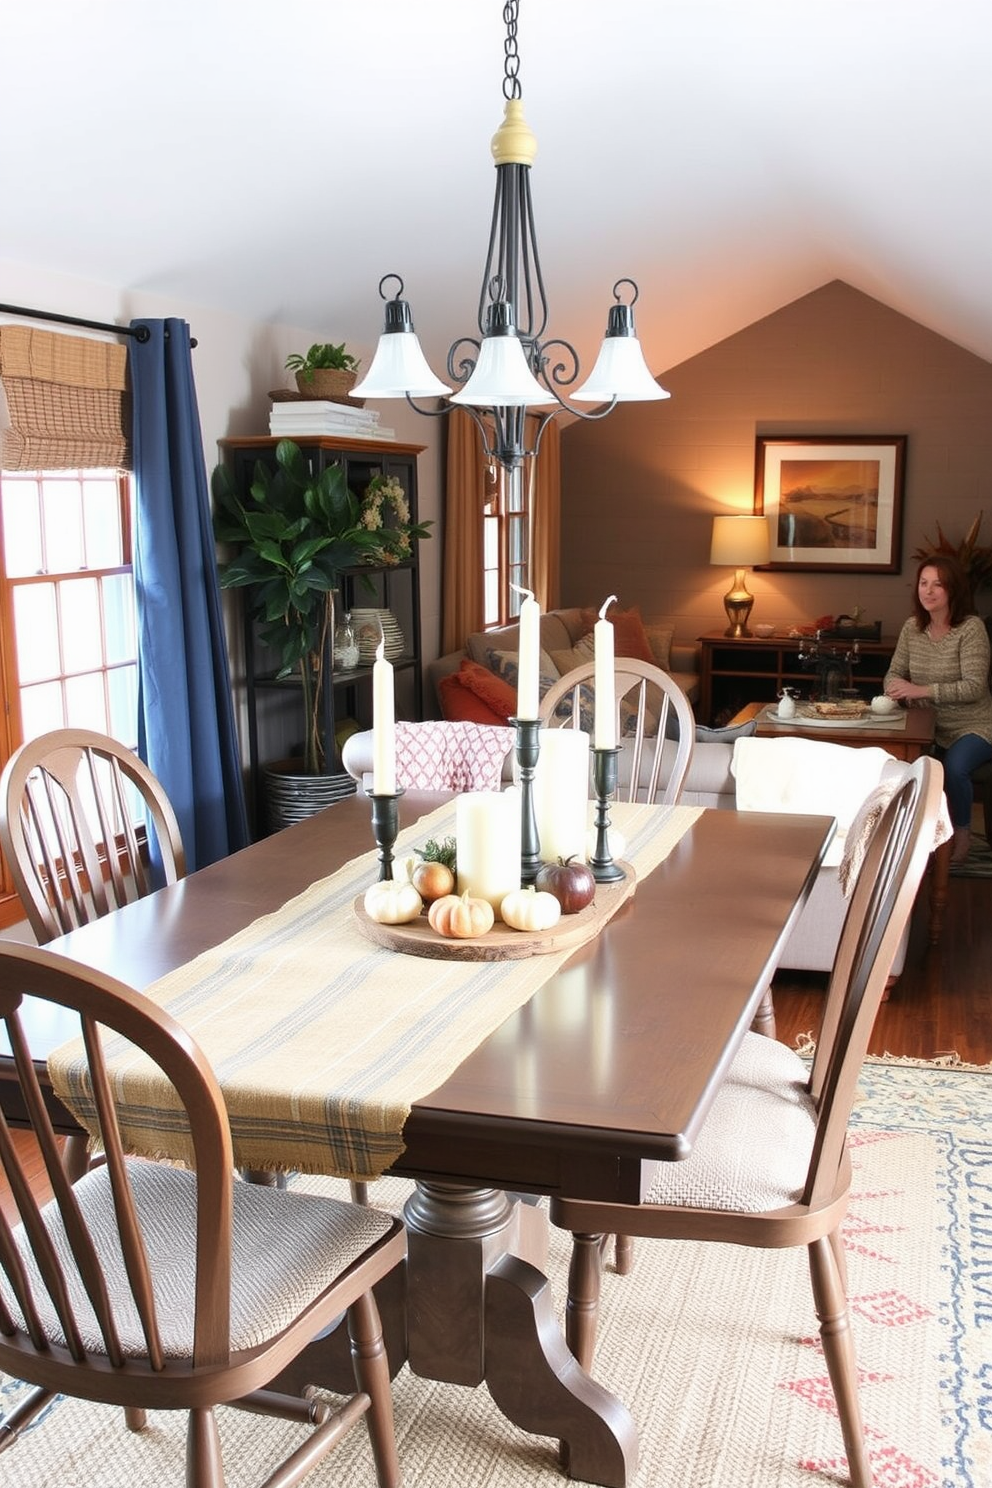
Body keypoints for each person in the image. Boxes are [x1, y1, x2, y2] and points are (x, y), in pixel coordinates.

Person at [884, 554, 992, 862]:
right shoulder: (912, 628)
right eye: (923, 583)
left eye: (938, 585)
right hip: (927, 725)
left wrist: (920, 690)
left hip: (974, 725)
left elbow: (974, 687)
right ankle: (911, 840)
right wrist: (894, 688)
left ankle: (962, 834)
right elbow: (893, 672)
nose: (928, 591)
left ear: (953, 590)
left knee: (954, 768)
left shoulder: (970, 629)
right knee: (901, 765)